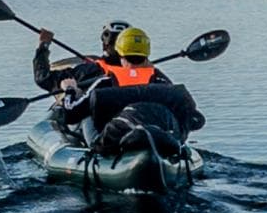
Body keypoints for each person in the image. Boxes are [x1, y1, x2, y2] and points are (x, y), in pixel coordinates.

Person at [47, 23, 204, 145]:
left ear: (121, 55)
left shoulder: (104, 82)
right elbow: (197, 120)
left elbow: (70, 114)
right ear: (147, 54)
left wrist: (70, 90)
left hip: (112, 141)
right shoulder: (163, 83)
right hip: (160, 138)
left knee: (86, 110)